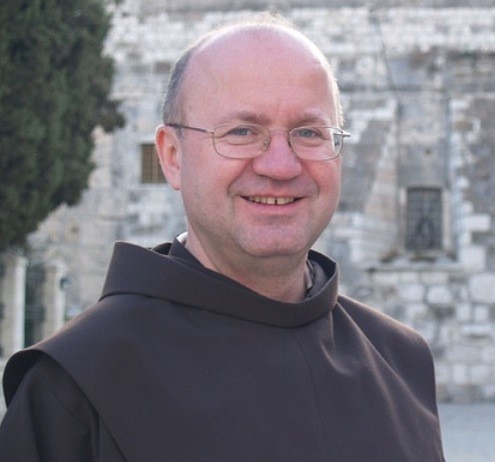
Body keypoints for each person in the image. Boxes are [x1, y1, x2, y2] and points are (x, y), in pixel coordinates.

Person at [0, 13, 445, 461]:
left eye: (309, 132)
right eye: (242, 132)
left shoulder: (401, 362)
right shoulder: (74, 388)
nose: (280, 165)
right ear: (172, 157)